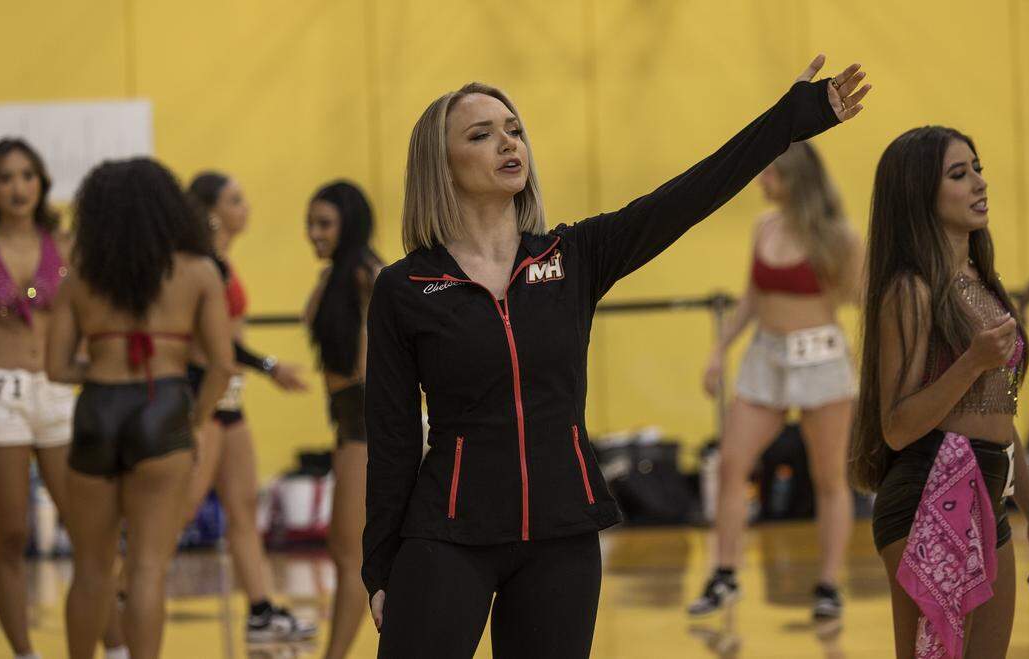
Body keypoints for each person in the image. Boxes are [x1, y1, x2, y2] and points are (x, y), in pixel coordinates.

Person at [364, 56, 869, 658]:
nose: (508, 142)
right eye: (481, 135)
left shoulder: (573, 256)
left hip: (563, 534)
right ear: (440, 165)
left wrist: (790, 120)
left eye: (514, 130)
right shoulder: (405, 288)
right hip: (447, 532)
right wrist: (380, 566)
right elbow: (392, 438)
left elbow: (692, 193)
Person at [850, 126, 1029, 658]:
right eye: (959, 174)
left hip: (991, 494)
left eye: (978, 169)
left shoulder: (984, 284)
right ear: (920, 193)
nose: (979, 183)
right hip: (926, 493)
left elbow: (999, 413)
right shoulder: (910, 291)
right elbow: (897, 427)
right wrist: (971, 363)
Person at [47, 157, 233, 659]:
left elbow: (56, 368)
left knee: (90, 569)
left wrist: (101, 369)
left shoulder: (80, 278)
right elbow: (221, 365)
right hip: (164, 406)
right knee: (148, 570)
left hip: (97, 409)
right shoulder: (198, 272)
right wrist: (194, 421)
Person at [688, 141, 861, 620]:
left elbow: (863, 298)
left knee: (829, 477)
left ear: (796, 179)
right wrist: (719, 350)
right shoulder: (764, 226)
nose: (762, 181)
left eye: (771, 174)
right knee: (731, 465)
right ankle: (724, 574)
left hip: (822, 360)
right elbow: (751, 298)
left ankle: (829, 584)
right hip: (766, 357)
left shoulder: (840, 236)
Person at [0, 138, 126, 659]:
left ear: (41, 182)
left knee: (88, 531)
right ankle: (24, 653)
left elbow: (94, 315)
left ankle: (117, 647)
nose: (18, 187)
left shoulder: (65, 244)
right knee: (11, 534)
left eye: (27, 175)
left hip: (59, 392)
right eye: (5, 178)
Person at [184, 172, 315, 643]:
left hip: (231, 398)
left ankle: (260, 611)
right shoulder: (204, 265)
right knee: (180, 508)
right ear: (211, 212)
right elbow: (217, 343)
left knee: (242, 509)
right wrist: (270, 366)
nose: (246, 207)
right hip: (204, 396)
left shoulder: (222, 262)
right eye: (235, 200)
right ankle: (122, 595)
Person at [303, 180, 382, 658]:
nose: (314, 233)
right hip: (347, 424)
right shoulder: (336, 277)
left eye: (324, 224)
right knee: (342, 548)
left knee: (351, 554)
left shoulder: (368, 276)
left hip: (367, 423)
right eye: (310, 224)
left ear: (349, 224)